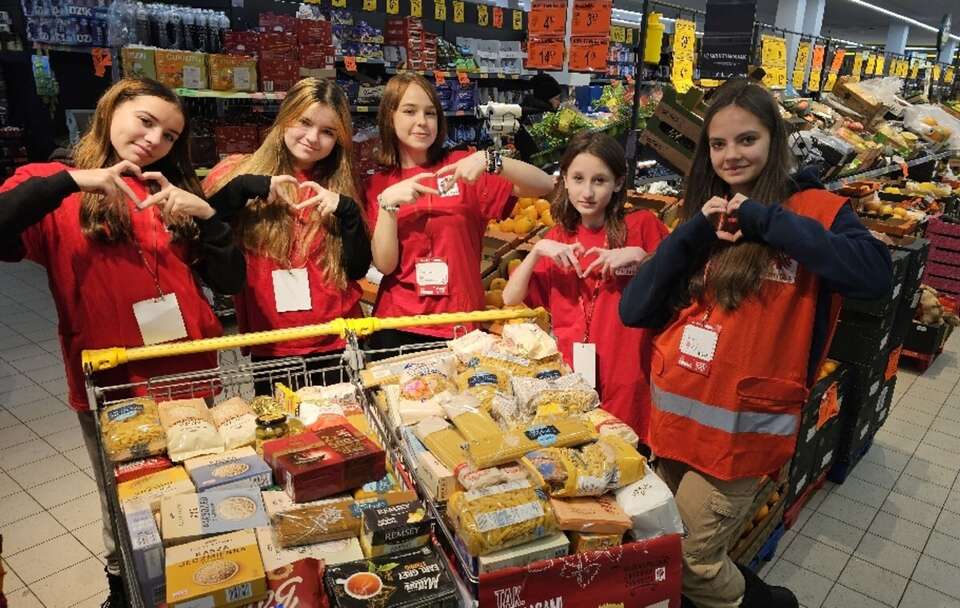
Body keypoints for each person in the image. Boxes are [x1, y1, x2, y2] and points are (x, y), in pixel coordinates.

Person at [619, 78, 892, 608]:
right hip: (674, 425)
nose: (730, 155)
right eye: (718, 144)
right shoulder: (702, 213)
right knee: (660, 548)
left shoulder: (817, 210)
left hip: (741, 438)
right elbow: (636, 309)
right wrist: (693, 233)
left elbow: (874, 276)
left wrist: (766, 219)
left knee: (692, 565)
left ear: (774, 140)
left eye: (747, 139)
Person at [0, 77, 249, 606]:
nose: (154, 138)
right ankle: (125, 587)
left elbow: (229, 283)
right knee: (124, 501)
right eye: (146, 120)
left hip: (189, 372)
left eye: (169, 134)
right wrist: (71, 180)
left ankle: (199, 580)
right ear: (112, 109)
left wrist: (209, 218)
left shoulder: (169, 190)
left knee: (197, 486)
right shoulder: (53, 184)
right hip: (112, 384)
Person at [203, 78, 371, 393]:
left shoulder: (343, 185)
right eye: (304, 122)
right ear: (285, 117)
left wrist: (347, 212)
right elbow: (202, 234)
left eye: (328, 131)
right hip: (272, 341)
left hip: (335, 338)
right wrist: (240, 191)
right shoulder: (235, 174)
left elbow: (357, 269)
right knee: (285, 435)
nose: (312, 138)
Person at [365, 72, 554, 351]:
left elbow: (544, 185)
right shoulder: (377, 184)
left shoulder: (463, 166)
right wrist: (388, 206)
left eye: (430, 113)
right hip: (396, 323)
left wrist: (492, 160)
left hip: (460, 324)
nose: (422, 122)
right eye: (409, 111)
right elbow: (386, 265)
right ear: (389, 117)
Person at [502, 131, 666, 442]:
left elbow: (681, 285)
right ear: (564, 179)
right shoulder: (557, 240)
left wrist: (641, 257)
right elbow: (511, 297)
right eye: (577, 178)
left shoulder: (642, 226)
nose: (587, 192)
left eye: (599, 180)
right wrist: (536, 250)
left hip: (629, 377)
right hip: (571, 380)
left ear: (618, 183)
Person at [515, 73, 563, 162]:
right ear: (546, 98)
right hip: (537, 167)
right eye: (556, 99)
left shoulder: (526, 111)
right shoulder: (537, 116)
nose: (559, 103)